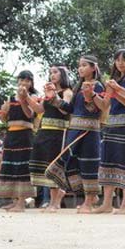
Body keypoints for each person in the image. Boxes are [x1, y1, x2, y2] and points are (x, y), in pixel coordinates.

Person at [45, 55, 106, 214]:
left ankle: (88, 201)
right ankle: (90, 197)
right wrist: (54, 98)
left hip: (89, 132)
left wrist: (90, 97)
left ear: (93, 68)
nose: (81, 68)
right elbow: (69, 109)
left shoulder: (98, 86)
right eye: (80, 65)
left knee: (88, 165)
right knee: (71, 163)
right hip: (74, 131)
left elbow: (97, 109)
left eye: (85, 65)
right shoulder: (78, 87)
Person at [94, 50, 125, 215]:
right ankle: (107, 203)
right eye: (117, 60)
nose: (120, 63)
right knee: (108, 162)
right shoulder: (114, 81)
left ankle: (124, 205)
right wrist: (91, 95)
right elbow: (104, 105)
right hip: (112, 124)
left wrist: (117, 90)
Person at [27, 64, 73, 212]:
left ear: (63, 75)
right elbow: (40, 109)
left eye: (55, 72)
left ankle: (55, 202)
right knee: (45, 166)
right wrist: (26, 97)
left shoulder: (67, 92)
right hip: (44, 130)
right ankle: (54, 201)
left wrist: (54, 96)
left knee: (54, 166)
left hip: (59, 133)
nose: (52, 75)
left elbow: (64, 109)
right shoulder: (48, 92)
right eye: (50, 72)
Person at [0, 70, 38, 212]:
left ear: (31, 83)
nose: (24, 83)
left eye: (27, 80)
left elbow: (30, 114)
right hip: (11, 135)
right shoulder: (10, 98)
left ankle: (22, 203)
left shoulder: (33, 96)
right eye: (22, 80)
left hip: (25, 135)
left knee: (22, 167)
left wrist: (24, 99)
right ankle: (14, 200)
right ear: (18, 81)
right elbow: (5, 119)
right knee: (11, 166)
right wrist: (1, 114)